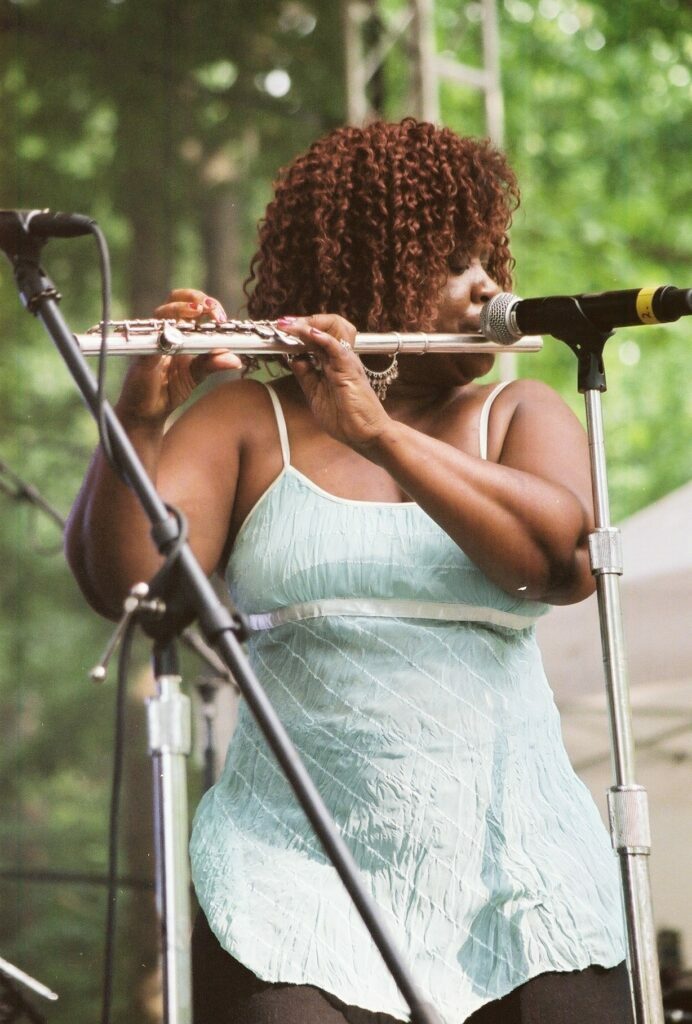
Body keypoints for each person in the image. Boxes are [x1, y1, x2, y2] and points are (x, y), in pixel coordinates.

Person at [65, 118, 632, 1024]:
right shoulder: (248, 420)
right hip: (292, 876)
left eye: (490, 257)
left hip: (521, 871)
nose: (491, 285)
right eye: (455, 262)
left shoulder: (520, 411)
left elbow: (558, 564)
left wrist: (377, 430)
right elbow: (127, 583)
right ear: (367, 273)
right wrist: (137, 423)